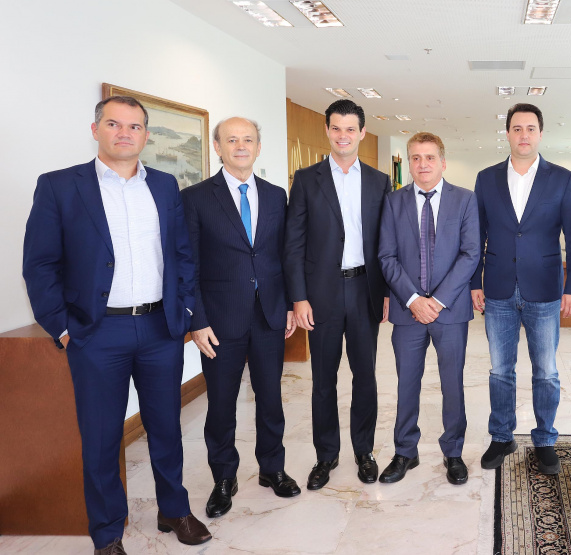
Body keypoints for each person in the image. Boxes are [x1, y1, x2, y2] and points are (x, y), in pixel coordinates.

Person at [22, 96, 211, 554]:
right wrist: (63, 327)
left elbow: (182, 256)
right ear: (95, 129)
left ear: (146, 135)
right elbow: (40, 265)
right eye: (114, 124)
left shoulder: (166, 186)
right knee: (103, 436)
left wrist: (185, 312)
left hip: (158, 330)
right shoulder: (60, 187)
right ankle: (106, 532)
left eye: (134, 126)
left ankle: (174, 509)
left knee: (167, 427)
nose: (124, 133)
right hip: (95, 333)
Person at [182, 117, 300, 519]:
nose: (240, 145)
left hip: (268, 314)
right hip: (218, 320)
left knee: (271, 398)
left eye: (247, 139)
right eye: (231, 140)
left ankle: (272, 468)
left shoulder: (275, 195)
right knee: (220, 405)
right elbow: (189, 265)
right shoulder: (196, 197)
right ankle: (223, 478)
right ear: (218, 147)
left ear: (258, 146)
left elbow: (282, 257)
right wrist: (196, 320)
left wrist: (285, 304)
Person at [284, 99, 391, 490]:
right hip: (321, 295)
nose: (343, 136)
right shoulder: (306, 179)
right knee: (323, 379)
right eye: (336, 128)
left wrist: (387, 292)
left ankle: (364, 451)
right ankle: (326, 455)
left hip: (365, 290)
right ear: (327, 131)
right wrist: (298, 298)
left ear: (362, 133)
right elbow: (293, 244)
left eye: (351, 129)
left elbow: (386, 244)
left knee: (365, 376)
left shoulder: (380, 182)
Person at [473, 103, 571, 475]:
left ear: (540, 133)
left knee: (547, 371)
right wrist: (476, 282)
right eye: (517, 128)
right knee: (500, 370)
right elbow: (477, 236)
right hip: (499, 289)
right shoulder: (486, 178)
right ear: (507, 133)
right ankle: (502, 436)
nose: (524, 135)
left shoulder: (562, 178)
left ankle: (545, 439)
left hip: (546, 289)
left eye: (531, 128)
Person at [376, 132, 480, 484]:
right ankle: (405, 451)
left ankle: (453, 452)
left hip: (450, 311)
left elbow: (470, 255)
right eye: (416, 158)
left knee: (452, 383)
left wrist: (435, 301)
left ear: (443, 161)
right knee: (407, 383)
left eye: (429, 157)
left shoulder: (465, 200)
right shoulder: (393, 202)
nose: (422, 164)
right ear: (409, 162)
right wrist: (412, 300)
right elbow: (386, 257)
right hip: (407, 312)